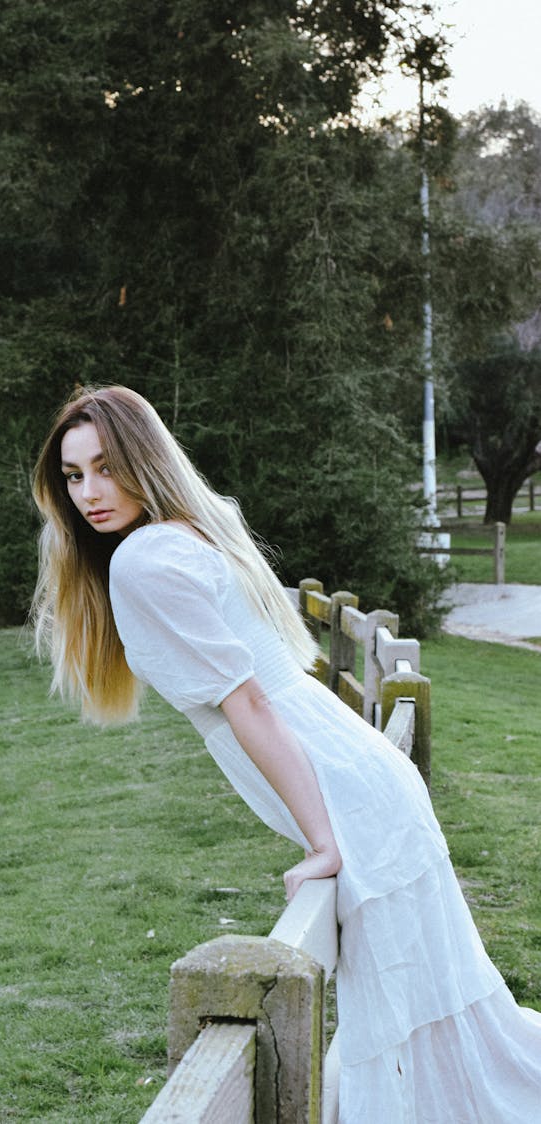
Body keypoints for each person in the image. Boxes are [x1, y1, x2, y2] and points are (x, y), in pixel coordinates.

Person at [31, 384, 541, 1122]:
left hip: (350, 793)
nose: (89, 493)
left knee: (403, 1016)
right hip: (362, 771)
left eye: (106, 467)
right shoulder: (190, 532)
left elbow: (250, 704)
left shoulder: (145, 559)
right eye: (73, 477)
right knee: (432, 1010)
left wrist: (326, 840)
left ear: (144, 459)